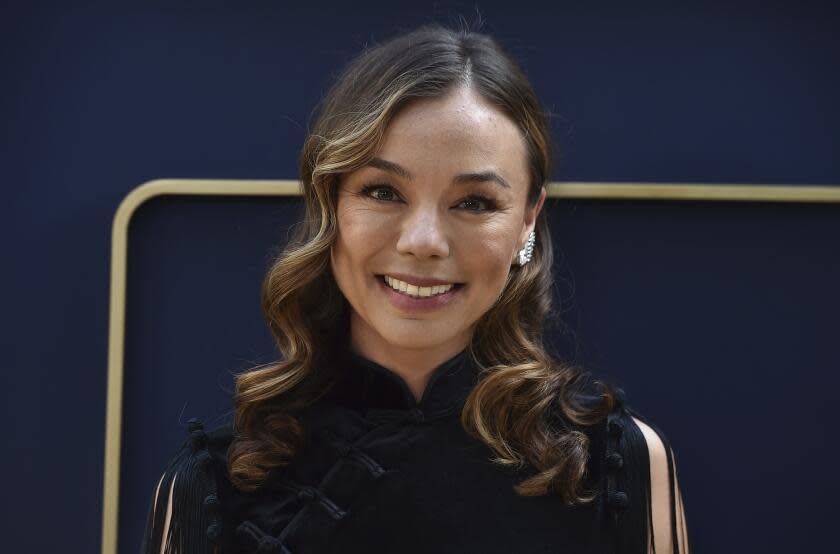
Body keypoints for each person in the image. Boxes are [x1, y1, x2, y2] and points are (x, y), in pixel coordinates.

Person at [142, 23, 690, 554]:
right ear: (330, 205)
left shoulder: (618, 466)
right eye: (382, 191)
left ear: (528, 221)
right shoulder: (214, 487)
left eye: (474, 202)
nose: (424, 241)